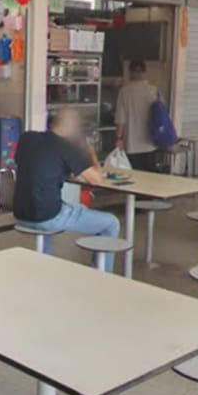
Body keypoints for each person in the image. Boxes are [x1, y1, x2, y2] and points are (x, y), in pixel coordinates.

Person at [14, 106, 121, 272]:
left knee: (51, 204)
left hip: (21, 214)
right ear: (71, 128)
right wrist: (90, 150)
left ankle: (43, 269)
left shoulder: (27, 138)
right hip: (48, 217)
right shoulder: (65, 147)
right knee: (111, 223)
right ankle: (104, 276)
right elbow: (97, 179)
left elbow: (40, 166)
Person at [114, 60, 159, 172]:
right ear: (144, 72)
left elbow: (121, 118)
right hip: (150, 144)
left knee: (135, 178)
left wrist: (119, 138)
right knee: (150, 178)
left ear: (130, 72)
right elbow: (160, 115)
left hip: (132, 144)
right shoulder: (153, 91)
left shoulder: (125, 92)